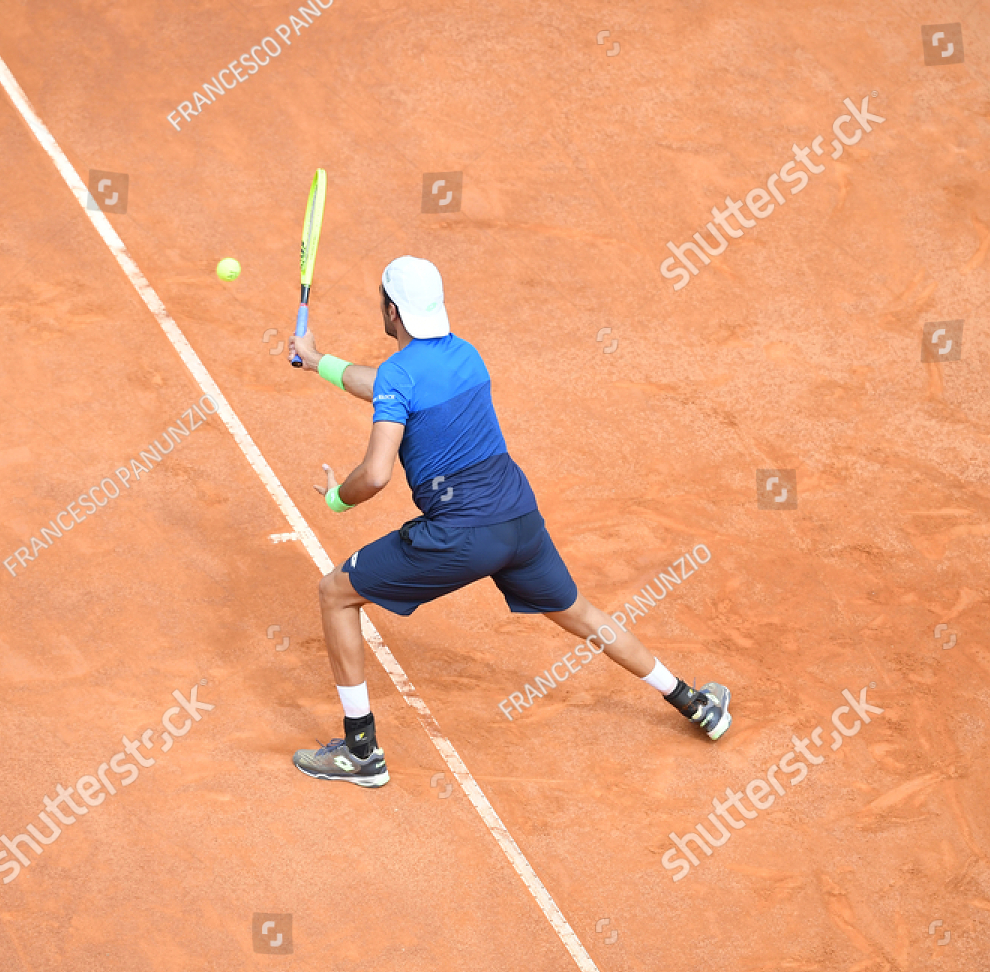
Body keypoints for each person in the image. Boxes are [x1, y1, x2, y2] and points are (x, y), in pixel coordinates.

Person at [286, 256, 730, 788]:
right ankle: (692, 700)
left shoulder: (399, 376)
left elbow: (377, 473)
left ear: (391, 310)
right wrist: (319, 363)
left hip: (457, 537)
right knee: (584, 615)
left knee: (336, 592)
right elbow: (384, 385)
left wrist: (337, 498)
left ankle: (360, 751)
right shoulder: (467, 356)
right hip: (518, 523)